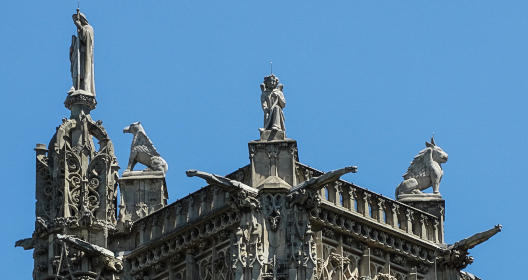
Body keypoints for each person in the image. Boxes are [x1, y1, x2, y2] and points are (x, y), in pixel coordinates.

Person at [69, 11, 95, 95]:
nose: (75, 22)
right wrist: (71, 51)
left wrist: (79, 26)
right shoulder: (78, 33)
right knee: (76, 72)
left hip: (84, 55)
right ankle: (75, 86)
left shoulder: (89, 28)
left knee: (83, 73)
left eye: (76, 19)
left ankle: (82, 87)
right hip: (77, 57)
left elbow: (86, 38)